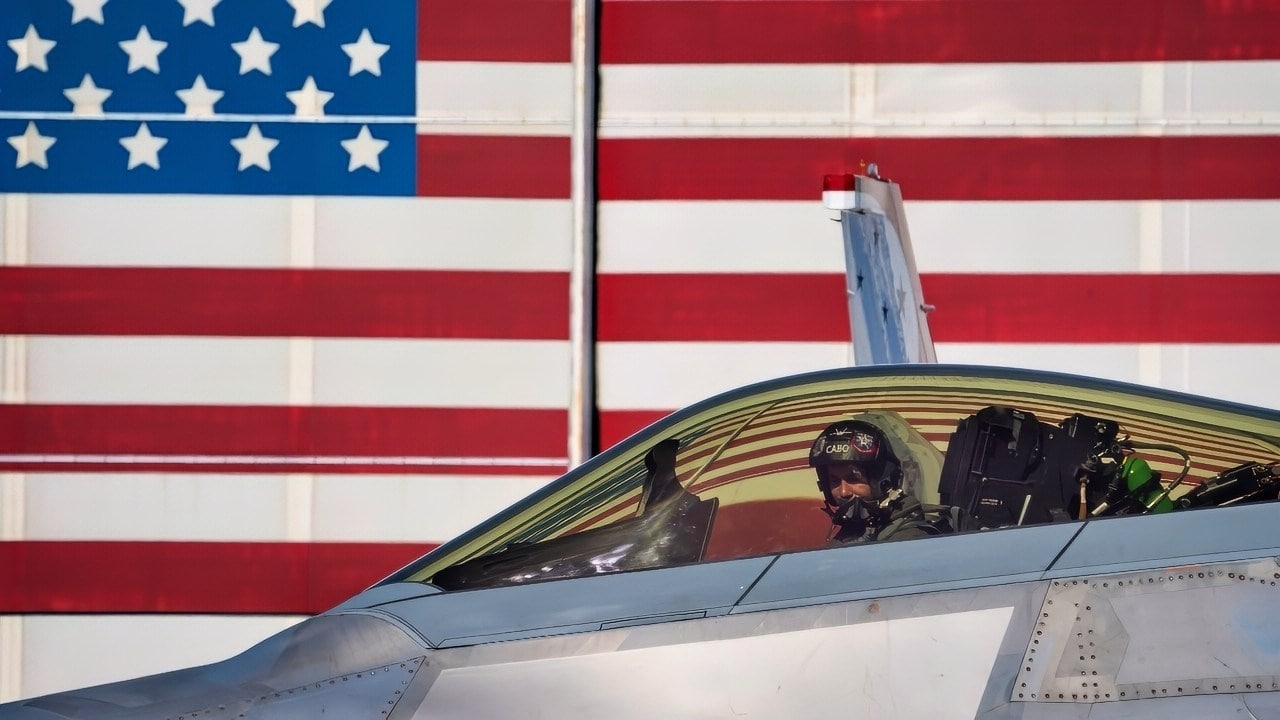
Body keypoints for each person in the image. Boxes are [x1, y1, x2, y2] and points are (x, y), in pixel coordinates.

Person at [808, 419, 958, 543]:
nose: (843, 491)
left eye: (853, 478)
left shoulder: (909, 539)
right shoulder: (853, 532)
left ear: (883, 481)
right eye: (834, 480)